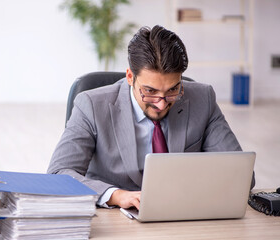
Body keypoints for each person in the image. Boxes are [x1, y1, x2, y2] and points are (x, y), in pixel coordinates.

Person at [47, 25, 254, 210]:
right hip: (118, 219)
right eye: (150, 91)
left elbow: (242, 174)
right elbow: (58, 174)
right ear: (130, 77)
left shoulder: (203, 98)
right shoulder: (91, 105)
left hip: (185, 214)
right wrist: (116, 195)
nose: (161, 103)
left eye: (173, 90)